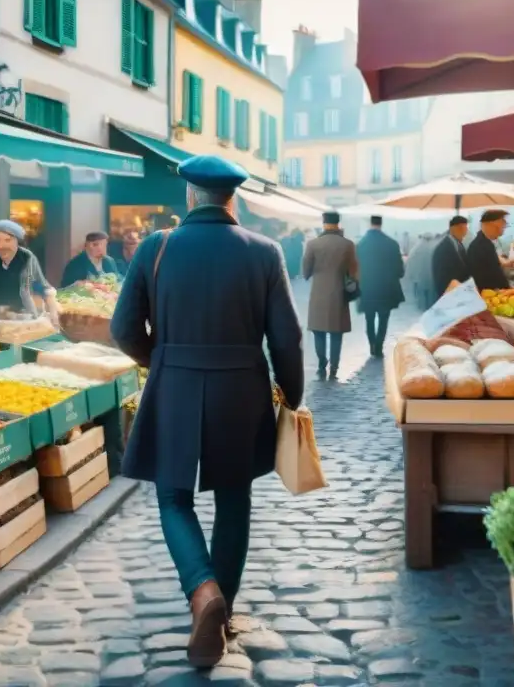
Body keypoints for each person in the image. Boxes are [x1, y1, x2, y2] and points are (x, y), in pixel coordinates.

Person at [110, 154, 303, 668]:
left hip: (174, 383)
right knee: (235, 498)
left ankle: (202, 594)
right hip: (242, 389)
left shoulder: (156, 247)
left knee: (174, 497)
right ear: (231, 198)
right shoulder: (265, 252)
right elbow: (287, 338)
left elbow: (123, 329)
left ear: (190, 197)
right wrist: (293, 393)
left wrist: (163, 360)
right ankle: (224, 609)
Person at [303, 211, 359, 380]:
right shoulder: (348, 245)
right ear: (338, 223)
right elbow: (354, 272)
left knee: (318, 332)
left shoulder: (313, 244)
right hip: (339, 293)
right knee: (336, 333)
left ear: (323, 223)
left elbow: (305, 272)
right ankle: (334, 367)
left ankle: (322, 365)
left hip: (318, 294)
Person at [0, 220, 55, 321]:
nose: (0, 246)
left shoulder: (28, 258)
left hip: (23, 319)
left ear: (17, 241)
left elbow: (41, 286)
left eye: (7, 241)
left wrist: (53, 308)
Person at [356, 216, 405, 358]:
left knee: (369, 319)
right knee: (384, 319)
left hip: (367, 289)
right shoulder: (392, 244)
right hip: (386, 289)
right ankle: (379, 346)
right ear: (381, 224)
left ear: (370, 223)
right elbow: (400, 271)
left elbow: (354, 270)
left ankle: (372, 345)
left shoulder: (360, 244)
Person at [467, 209, 514, 291]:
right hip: (487, 294)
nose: (502, 232)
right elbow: (493, 276)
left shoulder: (484, 242)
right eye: (501, 226)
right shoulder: (481, 246)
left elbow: (490, 266)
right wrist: (509, 290)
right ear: (491, 225)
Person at [431, 215, 471, 298]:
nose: (465, 232)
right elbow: (442, 277)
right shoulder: (443, 248)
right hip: (450, 293)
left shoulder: (458, 244)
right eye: (462, 229)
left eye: (465, 229)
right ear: (453, 229)